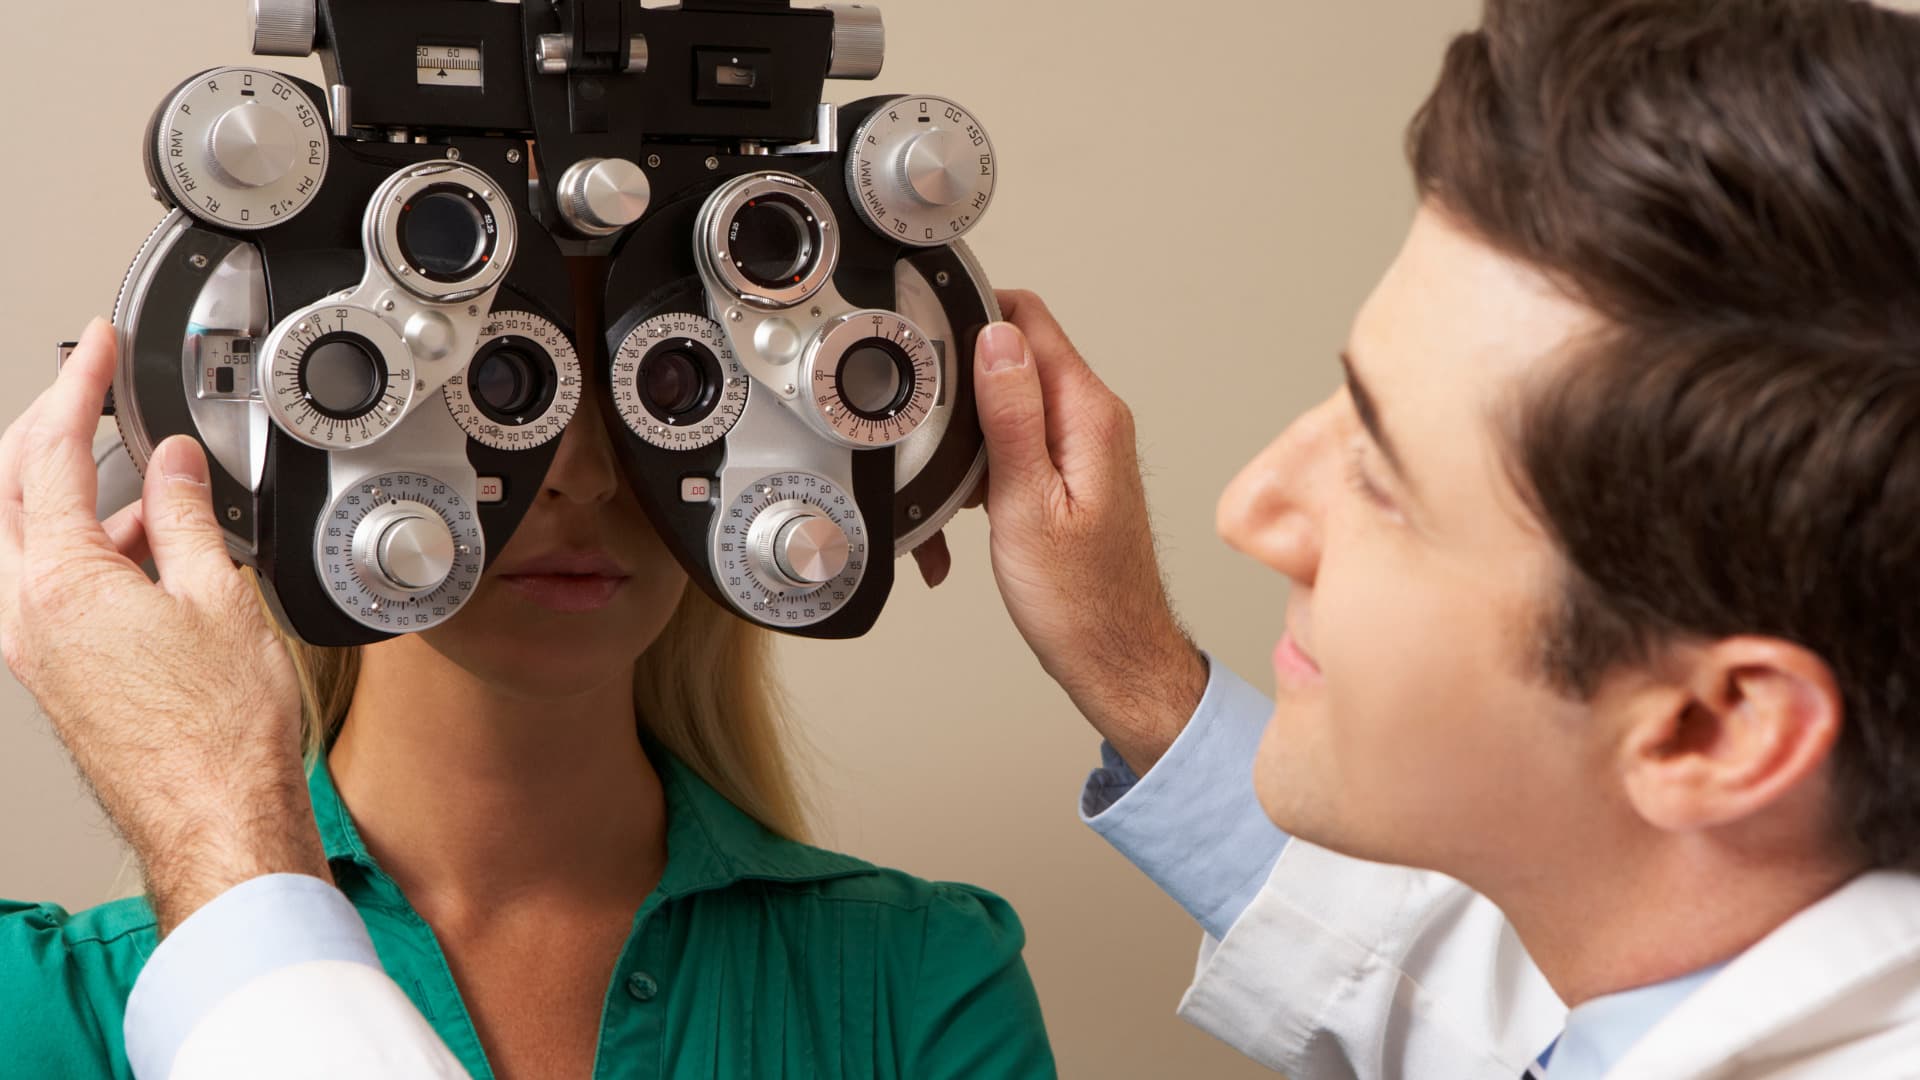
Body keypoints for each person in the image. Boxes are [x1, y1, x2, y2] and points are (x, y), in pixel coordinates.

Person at [0, 255, 1056, 1079]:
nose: (583, 476)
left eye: (670, 388)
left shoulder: (917, 977)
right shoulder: (51, 1007)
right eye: (492, 382)